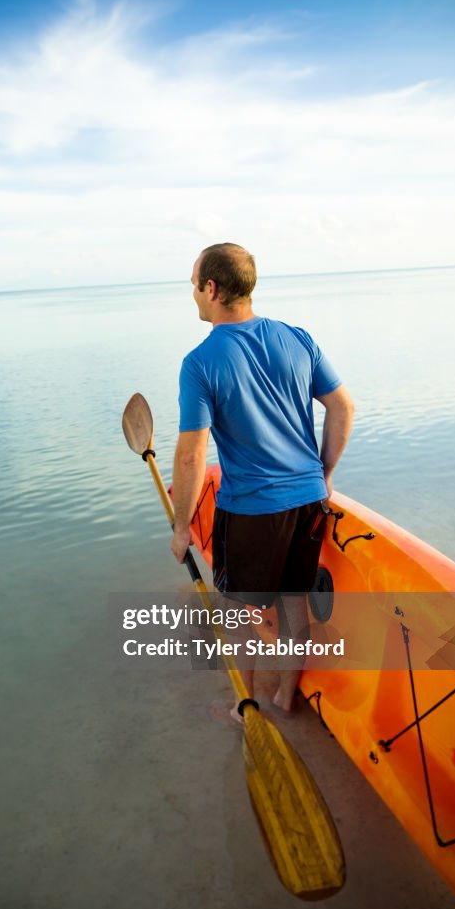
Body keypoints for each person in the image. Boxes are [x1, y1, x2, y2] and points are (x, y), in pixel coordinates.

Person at [170, 243, 354, 721]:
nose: (191, 293)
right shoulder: (297, 339)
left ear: (211, 289)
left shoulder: (201, 361)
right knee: (295, 607)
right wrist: (324, 474)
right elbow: (342, 407)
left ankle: (243, 706)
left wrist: (180, 525)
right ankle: (285, 697)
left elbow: (192, 455)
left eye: (193, 284)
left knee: (235, 614)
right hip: (309, 501)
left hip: (252, 509)